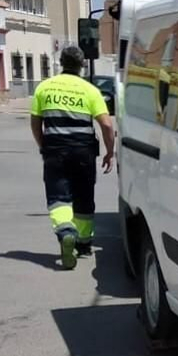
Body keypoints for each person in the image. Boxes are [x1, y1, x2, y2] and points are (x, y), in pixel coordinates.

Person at [31, 45, 115, 270]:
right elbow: (106, 125)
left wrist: (44, 146)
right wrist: (109, 152)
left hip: (55, 150)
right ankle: (84, 243)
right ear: (82, 65)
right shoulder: (89, 90)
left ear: (61, 62)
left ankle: (66, 232)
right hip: (83, 151)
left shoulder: (44, 88)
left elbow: (36, 122)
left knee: (59, 197)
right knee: (84, 197)